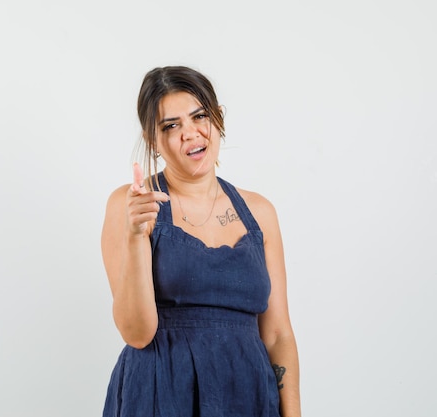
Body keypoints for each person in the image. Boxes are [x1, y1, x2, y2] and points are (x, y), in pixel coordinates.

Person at [100, 66, 301, 416]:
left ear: (218, 118)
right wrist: (136, 237)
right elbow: (136, 334)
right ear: (152, 139)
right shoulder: (132, 204)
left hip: (247, 394)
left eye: (199, 116)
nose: (190, 134)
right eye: (171, 125)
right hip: (159, 394)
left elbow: (278, 335)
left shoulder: (259, 211)